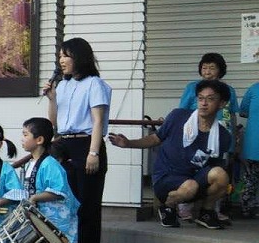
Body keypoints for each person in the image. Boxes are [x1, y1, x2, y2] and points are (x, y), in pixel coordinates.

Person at [110, 79, 233, 230]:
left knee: (221, 176)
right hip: (167, 178)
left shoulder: (223, 135)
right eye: (200, 98)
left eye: (210, 99)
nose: (204, 103)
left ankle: (206, 213)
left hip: (194, 178)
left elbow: (213, 167)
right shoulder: (178, 116)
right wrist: (128, 143)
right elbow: (155, 138)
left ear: (222, 104)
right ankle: (168, 207)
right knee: (190, 186)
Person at [44, 37, 111, 243]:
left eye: (66, 55)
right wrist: (52, 98)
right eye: (60, 56)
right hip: (64, 142)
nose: (61, 60)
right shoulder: (63, 85)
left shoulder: (95, 84)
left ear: (79, 58)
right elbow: (53, 122)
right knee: (65, 202)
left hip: (86, 144)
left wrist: (94, 153)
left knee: (87, 204)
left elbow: (97, 121)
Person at [177, 53, 239, 224]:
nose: (207, 71)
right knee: (194, 169)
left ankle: (212, 210)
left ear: (221, 70)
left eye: (212, 67)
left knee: (220, 173)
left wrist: (234, 141)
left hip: (221, 139)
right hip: (197, 138)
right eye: (204, 67)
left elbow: (232, 116)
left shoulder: (228, 90)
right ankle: (185, 208)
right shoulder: (192, 88)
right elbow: (182, 111)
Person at [20, 118, 79, 243]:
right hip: (40, 221)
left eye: (25, 135)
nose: (22, 139)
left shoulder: (50, 164)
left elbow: (58, 191)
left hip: (54, 223)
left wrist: (35, 198)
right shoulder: (32, 163)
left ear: (39, 140)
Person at [238, 81, 259, 220]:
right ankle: (247, 208)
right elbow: (242, 111)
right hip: (254, 143)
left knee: (250, 178)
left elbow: (244, 112)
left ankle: (249, 207)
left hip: (254, 143)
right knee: (250, 178)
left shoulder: (254, 89)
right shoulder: (254, 89)